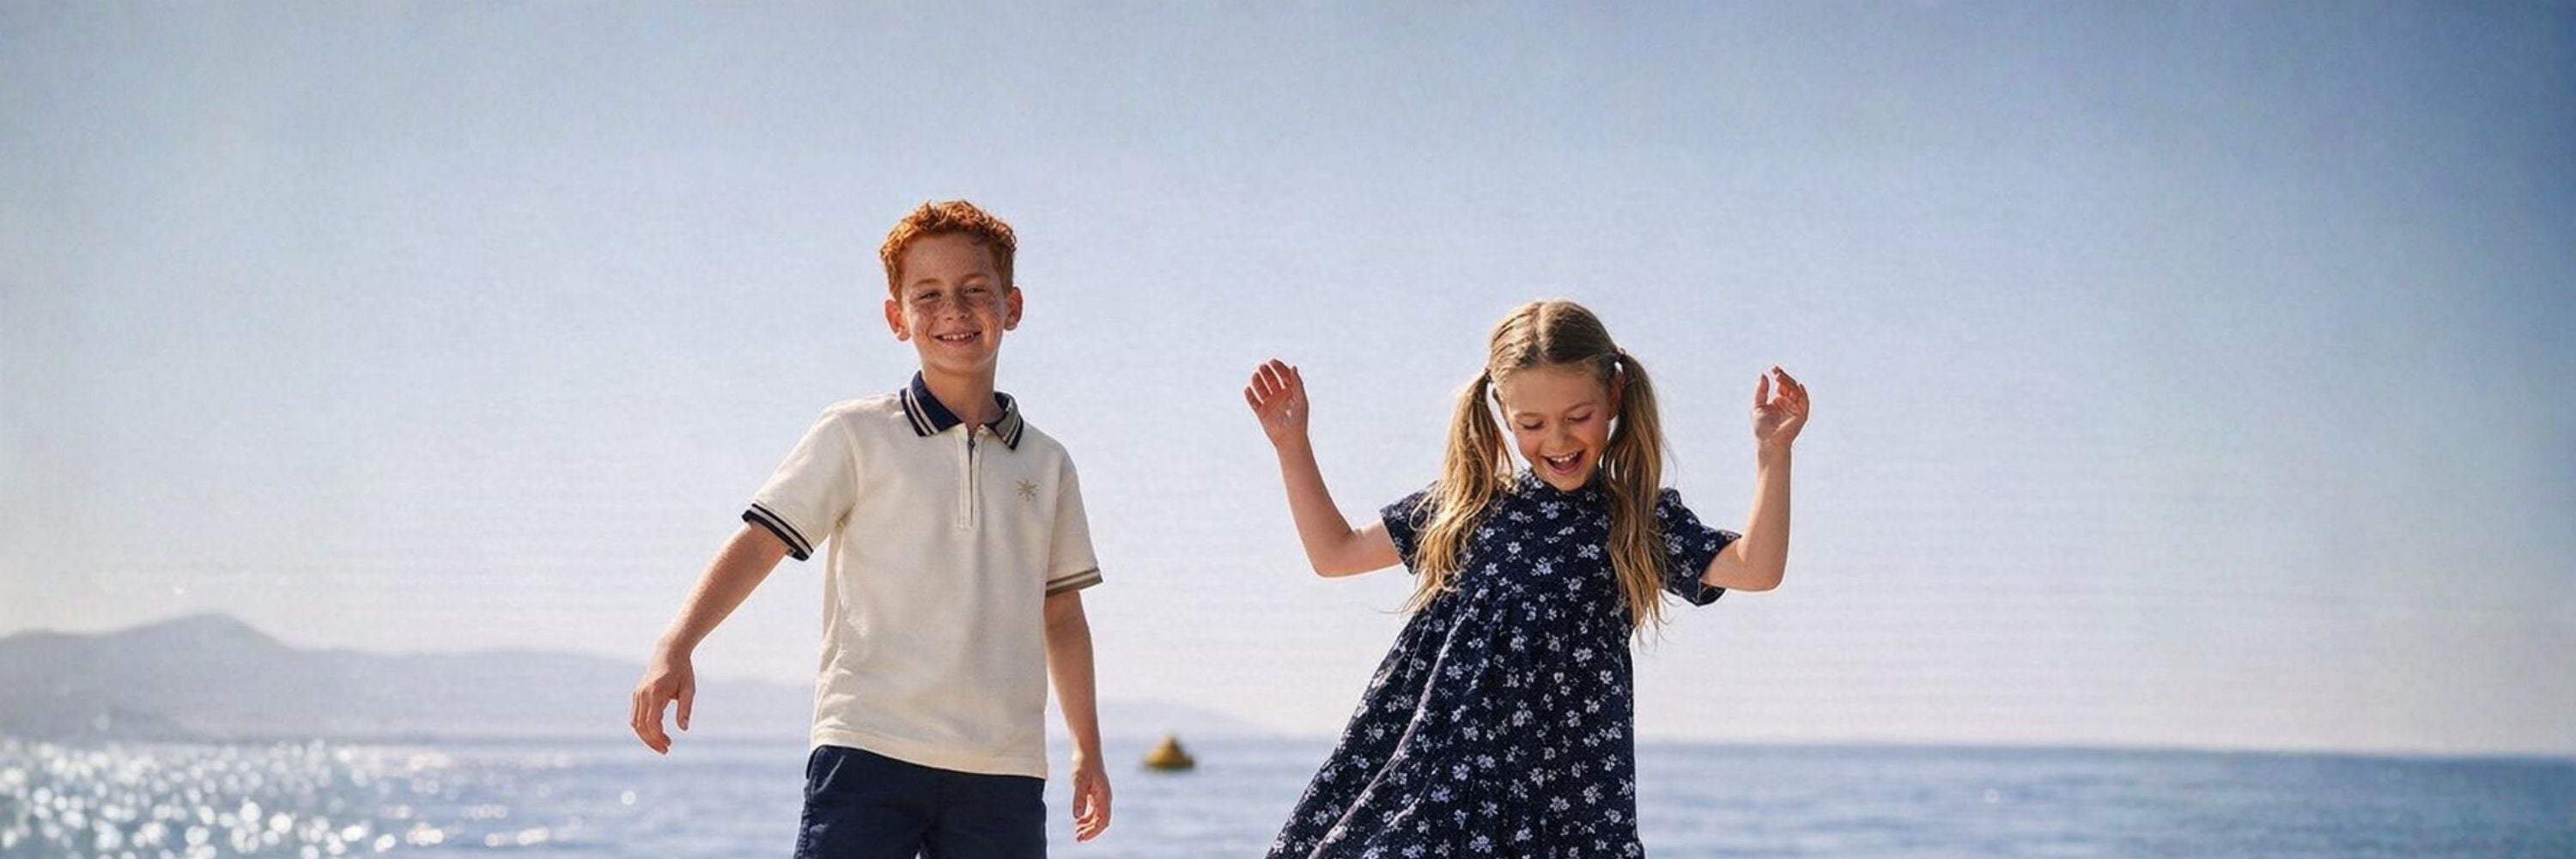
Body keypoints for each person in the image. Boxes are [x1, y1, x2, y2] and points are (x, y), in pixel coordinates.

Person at [630, 200, 1111, 856]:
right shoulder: (855, 434)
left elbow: (1061, 613)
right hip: (868, 749)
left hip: (1004, 768)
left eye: (976, 291)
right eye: (929, 295)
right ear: (897, 317)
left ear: (1013, 306)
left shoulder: (1049, 465)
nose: (955, 310)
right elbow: (762, 540)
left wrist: (1086, 747)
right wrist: (676, 642)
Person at [1243, 299, 1807, 857]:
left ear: (1613, 396)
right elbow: (1335, 554)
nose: (1558, 441)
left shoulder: (1635, 518)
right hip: (1444, 784)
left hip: (1566, 801)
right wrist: (1292, 446)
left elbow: (1755, 569)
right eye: (1532, 425)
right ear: (1502, 412)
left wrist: (1772, 453)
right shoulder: (1469, 506)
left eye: (1578, 417)